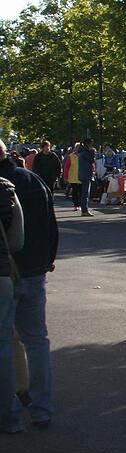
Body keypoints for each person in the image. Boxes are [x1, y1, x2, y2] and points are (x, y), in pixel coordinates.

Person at [0, 141, 58, 431]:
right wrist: (48, 259)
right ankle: (42, 409)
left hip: (6, 272)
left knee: (4, 345)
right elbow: (51, 223)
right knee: (37, 341)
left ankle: (10, 416)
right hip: (34, 268)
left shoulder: (7, 185)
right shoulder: (31, 180)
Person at [1, 175, 26, 434]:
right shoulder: (6, 190)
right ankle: (10, 417)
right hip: (2, 274)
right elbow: (17, 240)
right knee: (3, 347)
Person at [76, 139, 97, 216]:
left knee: (84, 193)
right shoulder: (86, 153)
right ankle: (85, 210)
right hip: (86, 174)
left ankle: (84, 209)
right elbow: (92, 160)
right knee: (85, 193)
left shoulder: (81, 152)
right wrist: (92, 152)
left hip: (83, 173)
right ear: (88, 145)